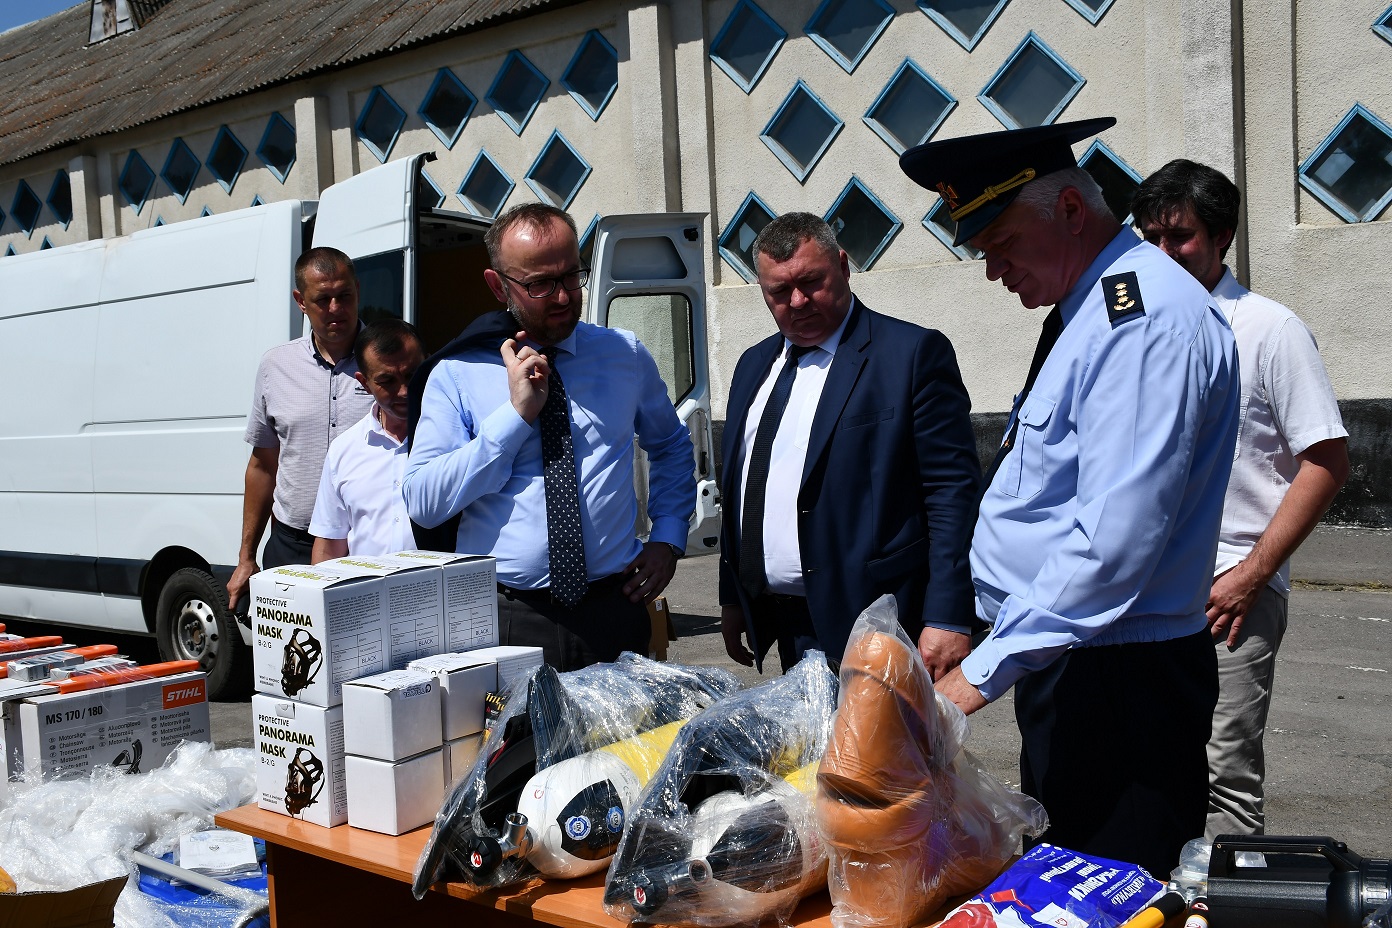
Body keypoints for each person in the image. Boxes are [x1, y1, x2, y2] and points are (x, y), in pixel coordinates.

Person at [899, 118, 1241, 876]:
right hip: (1074, 662)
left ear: (1071, 210)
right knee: (1067, 884)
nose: (994, 270)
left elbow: (1111, 544)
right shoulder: (1089, 307)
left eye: (1002, 243)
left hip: (1120, 684)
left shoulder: (1139, 320)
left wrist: (974, 680)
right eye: (982, 251)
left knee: (1114, 892)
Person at [1132, 159, 1350, 839]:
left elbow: (1327, 461)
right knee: (1144, 770)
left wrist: (1252, 575)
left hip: (1229, 593)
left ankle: (1225, 893)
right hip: (1142, 590)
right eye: (1150, 238)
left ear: (1221, 236)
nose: (1162, 253)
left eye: (1180, 237)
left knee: (1222, 781)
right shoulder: (1135, 328)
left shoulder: (1270, 329)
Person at [403, 203, 696, 671]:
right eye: (540, 284)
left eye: (571, 276)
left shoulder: (624, 354)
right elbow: (424, 501)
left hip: (613, 610)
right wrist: (515, 416)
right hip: (506, 620)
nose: (562, 297)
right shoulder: (457, 373)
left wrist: (668, 537)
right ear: (498, 285)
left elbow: (671, 446)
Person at [718, 213, 980, 677]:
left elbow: (951, 494)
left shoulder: (910, 355)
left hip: (882, 625)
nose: (798, 301)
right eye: (779, 291)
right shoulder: (753, 365)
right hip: (785, 623)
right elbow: (741, 487)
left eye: (811, 282)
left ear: (842, 266)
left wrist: (948, 613)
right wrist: (733, 595)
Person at [228, 247, 373, 609]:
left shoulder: (389, 361)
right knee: (291, 647)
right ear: (301, 301)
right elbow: (263, 466)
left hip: (367, 545)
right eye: (322, 299)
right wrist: (246, 557)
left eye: (344, 296)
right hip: (292, 544)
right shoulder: (275, 366)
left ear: (358, 290)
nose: (336, 308)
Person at [309, 319, 426, 562]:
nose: (404, 390)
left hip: (441, 586)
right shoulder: (344, 449)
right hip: (365, 586)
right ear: (365, 383)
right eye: (387, 381)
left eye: (411, 375)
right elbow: (329, 543)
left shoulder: (457, 437)